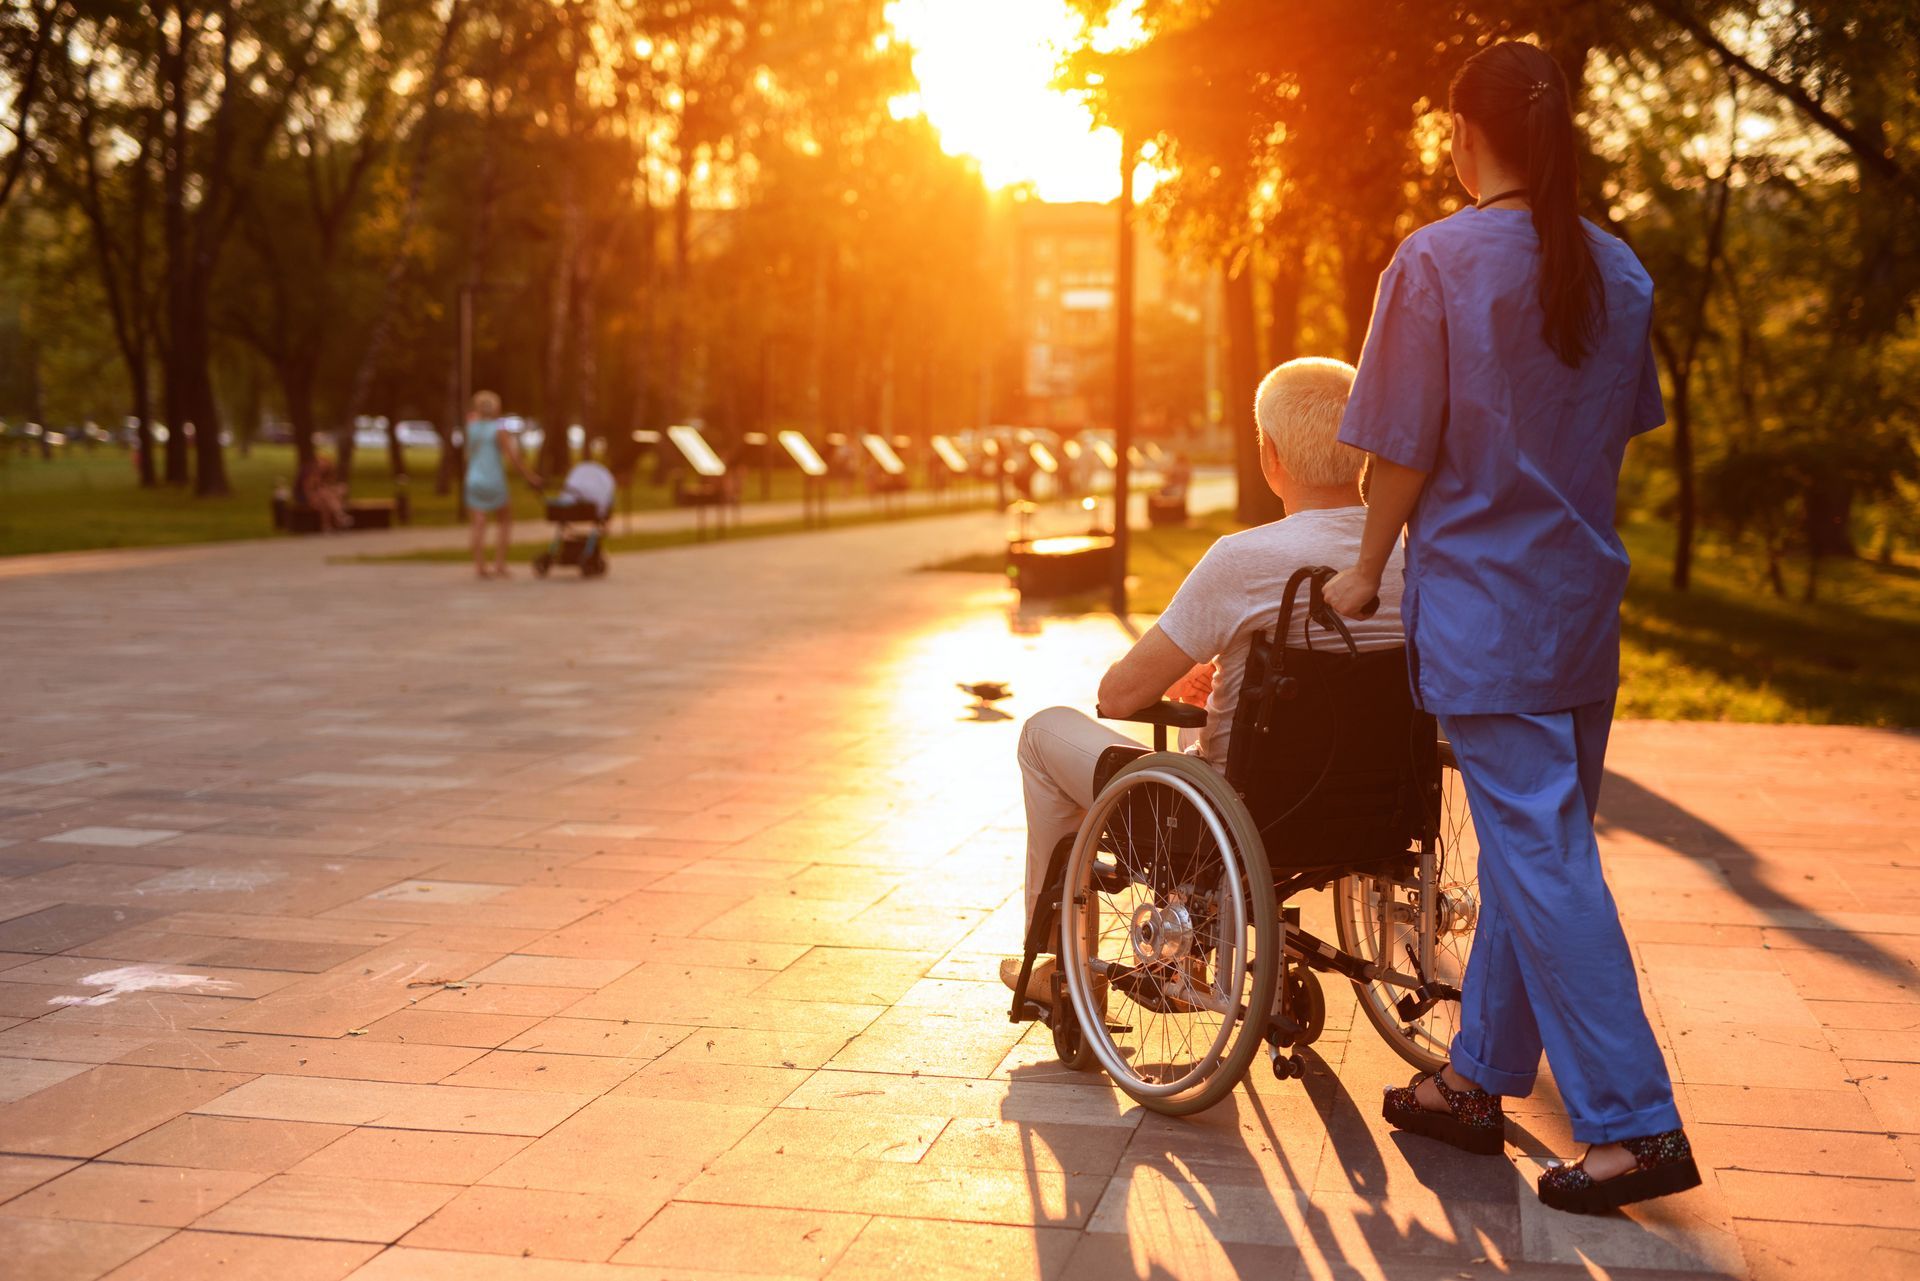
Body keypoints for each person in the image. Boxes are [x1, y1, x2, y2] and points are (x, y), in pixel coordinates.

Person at [1321, 40, 1696, 1216]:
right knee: (1544, 853)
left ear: (1464, 132)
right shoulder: (1619, 271)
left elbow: (1399, 449)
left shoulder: (1433, 262)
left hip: (1489, 614)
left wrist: (1364, 571)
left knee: (1543, 861)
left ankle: (1633, 1125)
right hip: (1580, 610)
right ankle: (1478, 1082)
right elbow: (1609, 434)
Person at [1002, 356, 1407, 1003]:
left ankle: (1059, 965)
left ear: (1269, 454)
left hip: (1228, 810)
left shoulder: (1244, 561)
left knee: (1042, 733)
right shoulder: (1411, 555)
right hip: (1376, 809)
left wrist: (1189, 669)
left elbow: (1119, 695)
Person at [464, 391, 541, 579]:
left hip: (473, 478)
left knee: (478, 523)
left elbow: (467, 452)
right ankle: (499, 563)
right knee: (505, 520)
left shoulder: (471, 427)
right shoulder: (498, 429)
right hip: (493, 479)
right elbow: (512, 457)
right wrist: (530, 477)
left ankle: (480, 565)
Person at [297, 450, 352, 533]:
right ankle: (340, 516)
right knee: (325, 495)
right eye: (321, 464)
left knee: (326, 501)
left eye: (325, 465)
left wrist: (338, 489)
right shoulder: (312, 475)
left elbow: (329, 488)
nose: (323, 466)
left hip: (325, 499)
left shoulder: (328, 475)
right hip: (310, 499)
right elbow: (309, 491)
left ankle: (328, 526)